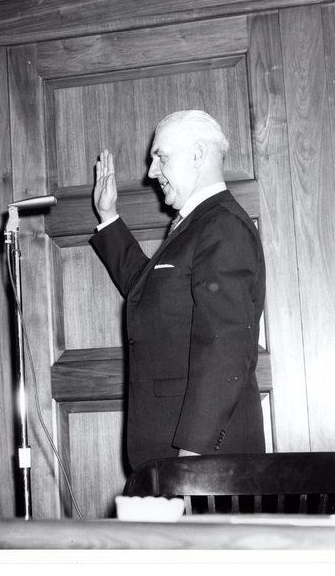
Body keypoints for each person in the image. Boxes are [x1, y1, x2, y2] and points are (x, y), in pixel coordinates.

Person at [90, 110, 266, 470]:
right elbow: (149, 290)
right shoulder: (203, 224)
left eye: (161, 157)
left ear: (198, 155)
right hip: (179, 458)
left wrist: (193, 457)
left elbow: (225, 347)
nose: (151, 172)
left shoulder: (222, 226)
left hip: (204, 464)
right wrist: (108, 216)